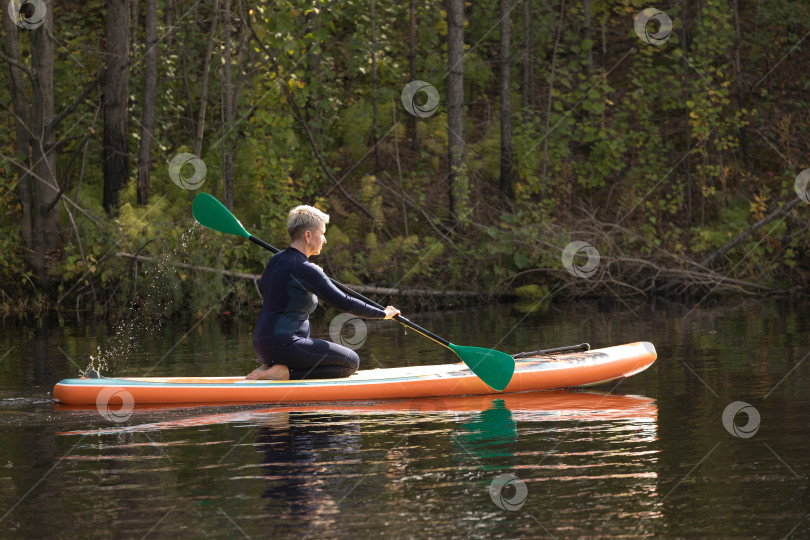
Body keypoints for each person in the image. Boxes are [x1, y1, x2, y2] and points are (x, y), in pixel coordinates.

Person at [247, 205, 400, 380]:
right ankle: (284, 373)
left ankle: (270, 368)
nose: (325, 239)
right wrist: (383, 314)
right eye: (322, 233)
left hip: (262, 346)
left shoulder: (275, 261)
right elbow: (344, 302)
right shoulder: (306, 269)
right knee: (351, 362)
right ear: (308, 236)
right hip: (285, 345)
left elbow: (264, 289)